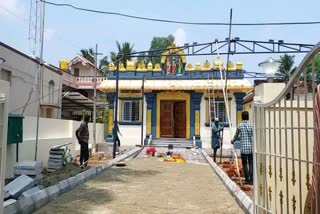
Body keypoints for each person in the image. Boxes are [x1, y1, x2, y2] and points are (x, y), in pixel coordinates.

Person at [231, 111, 253, 185]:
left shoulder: (239, 125)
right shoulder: (251, 125)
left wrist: (232, 141)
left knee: (244, 164)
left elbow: (236, 135)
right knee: (250, 163)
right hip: (250, 148)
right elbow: (253, 136)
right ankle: (251, 179)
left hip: (243, 148)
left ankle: (247, 179)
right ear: (248, 117)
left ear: (242, 117)